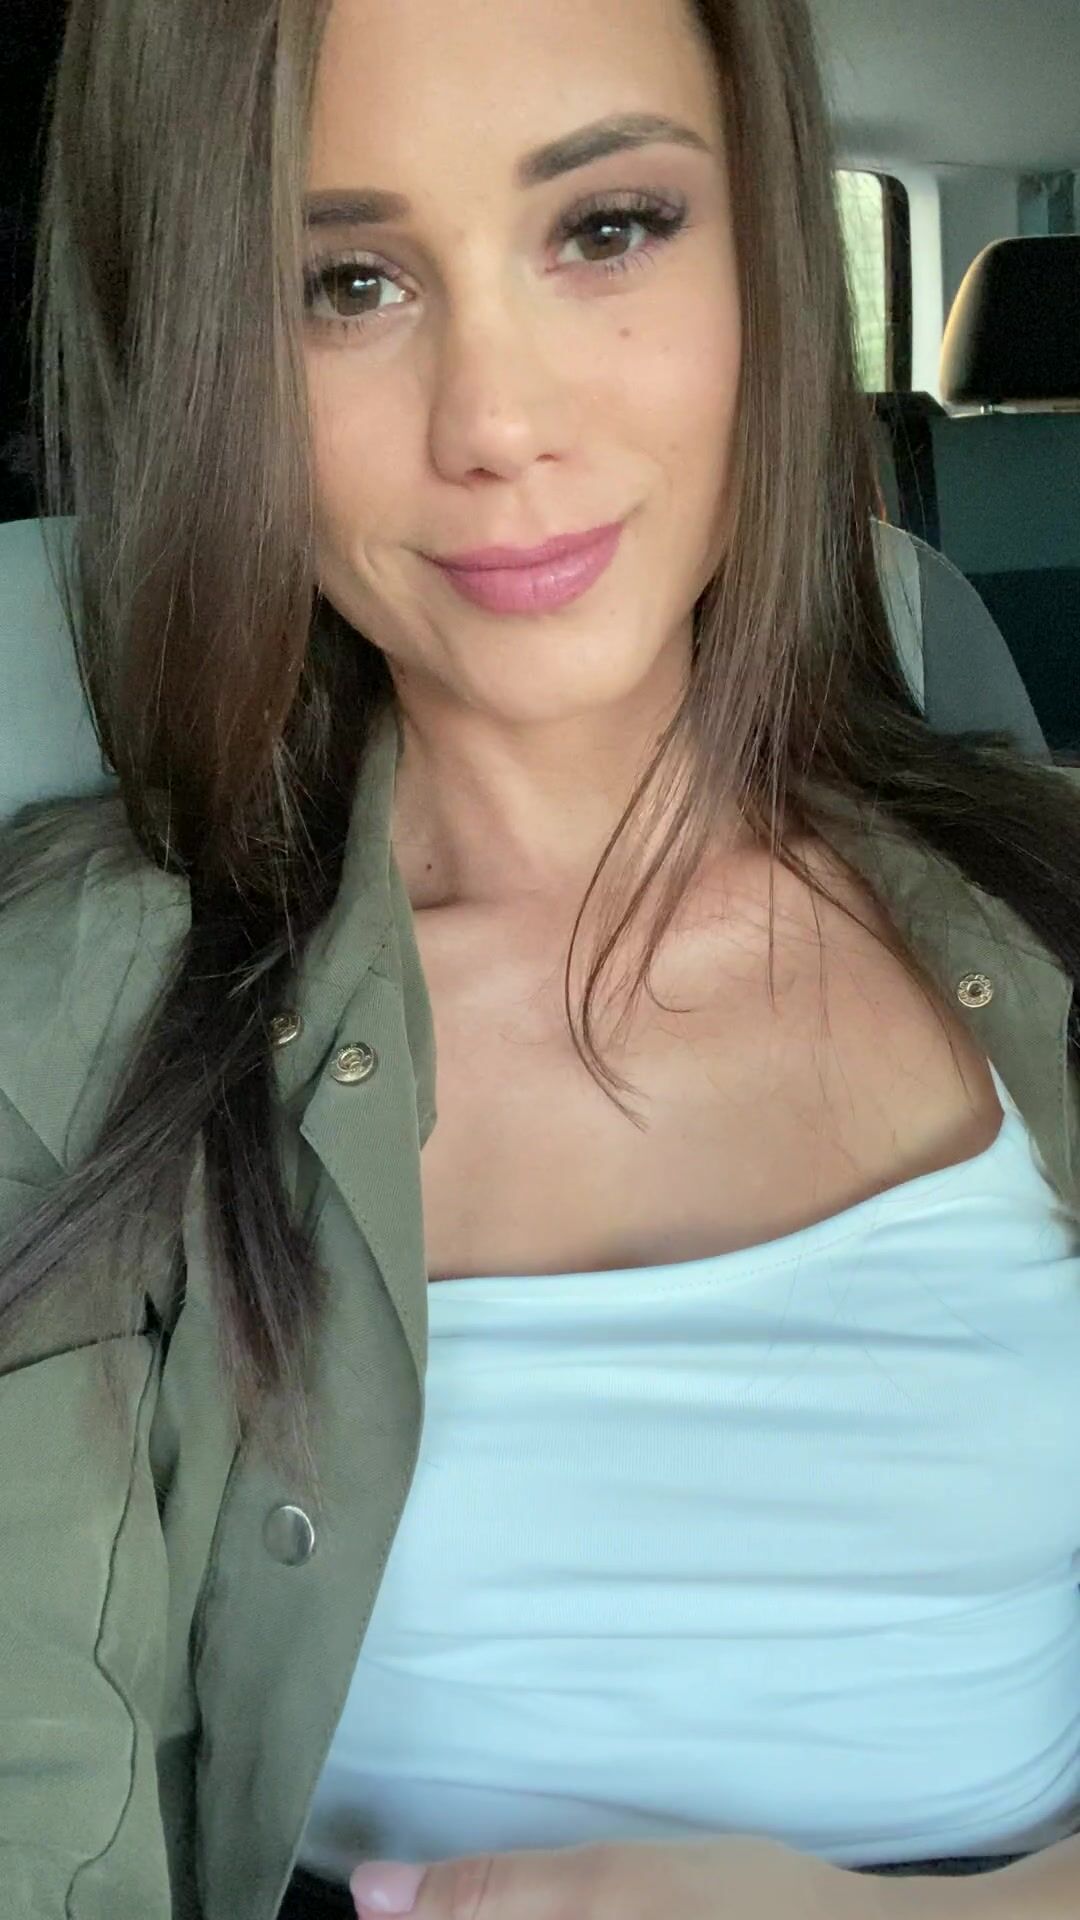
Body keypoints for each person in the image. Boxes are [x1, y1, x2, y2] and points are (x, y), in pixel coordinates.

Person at [1, 0, 1079, 1916]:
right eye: (344, 283)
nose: (497, 425)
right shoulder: (64, 1017)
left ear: (762, 244)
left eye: (607, 228)